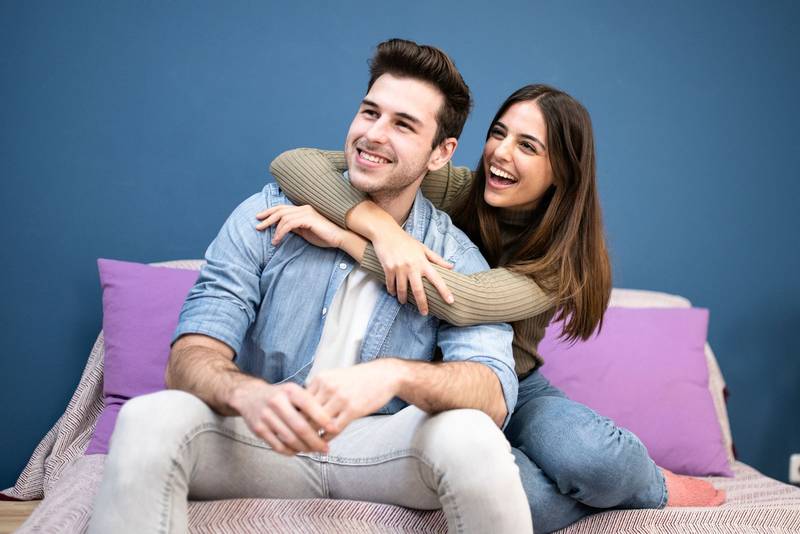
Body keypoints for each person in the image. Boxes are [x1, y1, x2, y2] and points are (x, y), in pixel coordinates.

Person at [88, 39, 533, 534]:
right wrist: (245, 394)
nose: (374, 135)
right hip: (264, 437)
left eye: (403, 125)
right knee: (147, 419)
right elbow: (191, 355)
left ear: (441, 154)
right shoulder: (266, 215)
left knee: (473, 434)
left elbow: (492, 391)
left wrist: (395, 376)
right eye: (370, 113)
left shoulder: (454, 255)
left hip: (381, 450)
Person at [264, 84, 727, 533]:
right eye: (499, 133)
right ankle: (597, 501)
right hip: (438, 388)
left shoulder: (560, 263)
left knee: (591, 459)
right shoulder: (460, 188)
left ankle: (648, 484)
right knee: (529, 503)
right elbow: (293, 163)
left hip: (516, 387)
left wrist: (348, 241)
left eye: (527, 145)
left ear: (562, 171)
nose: (500, 153)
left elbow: (463, 301)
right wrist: (380, 230)